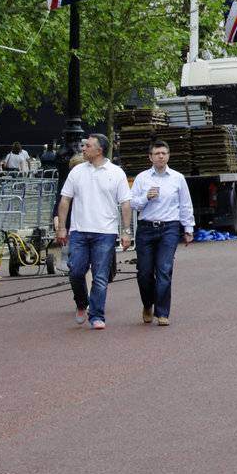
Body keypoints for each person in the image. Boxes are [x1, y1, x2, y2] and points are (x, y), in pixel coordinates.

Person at [53, 133, 131, 329]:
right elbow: (65, 200)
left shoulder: (116, 173)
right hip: (79, 230)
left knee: (100, 276)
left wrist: (126, 231)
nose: (83, 148)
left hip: (105, 232)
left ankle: (97, 315)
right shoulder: (77, 171)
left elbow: (125, 203)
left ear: (99, 150)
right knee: (76, 272)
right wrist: (62, 227)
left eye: (88, 145)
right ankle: (81, 303)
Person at [129, 139, 194, 325]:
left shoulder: (177, 178)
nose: (161, 156)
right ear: (150, 157)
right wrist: (145, 197)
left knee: (164, 269)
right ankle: (147, 304)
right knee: (144, 272)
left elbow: (185, 204)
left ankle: (163, 312)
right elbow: (132, 203)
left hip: (169, 228)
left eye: (164, 153)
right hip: (146, 228)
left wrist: (188, 228)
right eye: (157, 153)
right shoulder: (142, 178)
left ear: (168, 156)